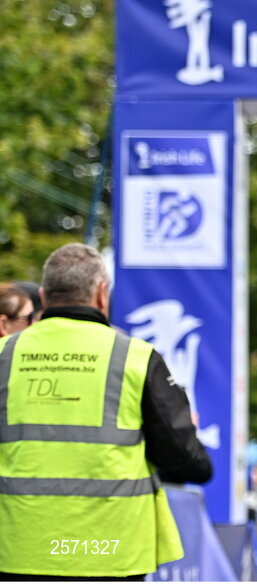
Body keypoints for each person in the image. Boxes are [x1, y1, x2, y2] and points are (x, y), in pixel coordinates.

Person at [0, 243, 212, 580]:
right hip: (111, 550)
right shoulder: (137, 357)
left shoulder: (4, 354)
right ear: (102, 293)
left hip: (16, 549)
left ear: (44, 295)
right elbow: (182, 456)